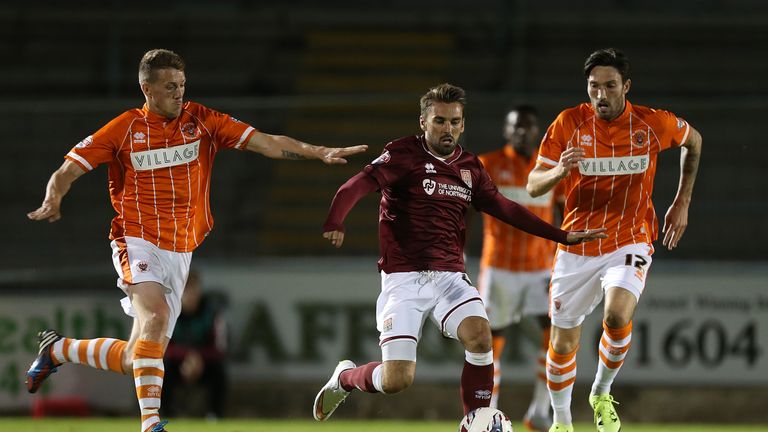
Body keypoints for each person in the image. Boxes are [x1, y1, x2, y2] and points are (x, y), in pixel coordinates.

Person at [24, 48, 367, 432]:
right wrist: (53, 196)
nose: (179, 92)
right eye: (170, 86)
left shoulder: (202, 121)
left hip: (181, 249)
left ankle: (57, 350)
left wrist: (319, 151)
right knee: (155, 316)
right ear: (146, 88)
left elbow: (267, 142)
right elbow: (69, 168)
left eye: (182, 84)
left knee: (136, 356)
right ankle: (151, 424)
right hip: (137, 239)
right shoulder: (124, 129)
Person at [312, 83, 606, 422]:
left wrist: (561, 235)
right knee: (397, 379)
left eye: (454, 122)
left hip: (450, 277)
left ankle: (476, 423)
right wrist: (336, 218)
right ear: (423, 121)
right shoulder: (402, 154)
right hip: (403, 279)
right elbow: (357, 185)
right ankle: (346, 379)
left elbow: (506, 208)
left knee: (481, 338)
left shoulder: (470, 167)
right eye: (439, 121)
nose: (447, 128)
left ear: (463, 124)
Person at [526, 48, 702, 432]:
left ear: (626, 86)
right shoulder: (568, 123)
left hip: (630, 238)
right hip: (577, 245)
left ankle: (601, 392)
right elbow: (533, 185)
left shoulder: (652, 123)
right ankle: (561, 421)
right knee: (562, 345)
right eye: (594, 87)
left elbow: (695, 140)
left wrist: (681, 202)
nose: (601, 95)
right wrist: (559, 170)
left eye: (609, 86)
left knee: (617, 315)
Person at [476, 105, 563, 432]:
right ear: (506, 131)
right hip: (499, 268)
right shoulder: (487, 165)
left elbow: (567, 212)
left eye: (527, 127)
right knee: (489, 343)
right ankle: (487, 415)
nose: (521, 133)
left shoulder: (551, 167)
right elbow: (463, 211)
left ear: (537, 130)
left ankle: (540, 411)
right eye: (515, 127)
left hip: (541, 268)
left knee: (555, 337)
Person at [162, 268, 227, 419]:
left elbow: (220, 348)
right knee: (163, 368)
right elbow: (162, 346)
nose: (191, 296)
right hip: (178, 365)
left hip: (204, 364)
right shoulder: (169, 312)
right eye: (186, 291)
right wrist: (187, 357)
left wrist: (198, 359)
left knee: (219, 372)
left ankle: (214, 415)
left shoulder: (212, 313)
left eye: (194, 290)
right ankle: (166, 414)